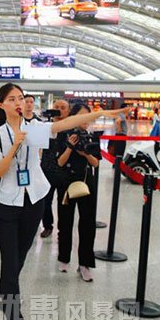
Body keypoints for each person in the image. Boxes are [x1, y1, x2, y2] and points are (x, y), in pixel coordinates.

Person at [0, 83, 127, 320]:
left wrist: (98, 115)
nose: (18, 102)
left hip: (35, 199)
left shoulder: (35, 128)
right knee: (9, 258)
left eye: (20, 97)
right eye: (12, 98)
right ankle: (15, 318)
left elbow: (65, 124)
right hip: (7, 203)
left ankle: (4, 287)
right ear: (2, 105)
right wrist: (15, 146)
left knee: (18, 257)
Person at [55, 103, 100, 282]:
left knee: (88, 224)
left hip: (86, 182)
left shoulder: (91, 137)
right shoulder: (63, 133)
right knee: (65, 222)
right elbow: (59, 162)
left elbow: (96, 163)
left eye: (88, 117)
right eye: (82, 116)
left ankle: (85, 264)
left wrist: (85, 153)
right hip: (66, 181)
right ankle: (64, 258)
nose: (86, 121)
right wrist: (69, 147)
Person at [38, 99, 69, 238]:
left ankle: (63, 229)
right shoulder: (46, 127)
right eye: (56, 107)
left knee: (64, 203)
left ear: (68, 111)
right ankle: (47, 225)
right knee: (45, 201)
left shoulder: (70, 128)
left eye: (63, 108)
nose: (60, 110)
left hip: (65, 171)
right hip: (47, 168)